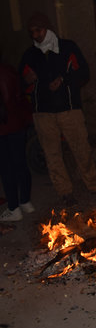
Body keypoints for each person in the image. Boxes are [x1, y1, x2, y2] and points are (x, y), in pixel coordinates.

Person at [19, 12, 96, 206]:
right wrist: (27, 81)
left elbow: (84, 73)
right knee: (52, 154)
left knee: (81, 150)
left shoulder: (67, 47)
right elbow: (21, 84)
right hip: (43, 113)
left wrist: (64, 81)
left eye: (39, 30)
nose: (36, 35)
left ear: (47, 28)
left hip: (69, 109)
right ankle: (65, 192)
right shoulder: (29, 55)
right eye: (32, 32)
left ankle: (94, 187)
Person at [0, 62, 33, 221]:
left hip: (3, 127)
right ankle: (25, 201)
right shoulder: (10, 69)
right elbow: (20, 94)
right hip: (18, 123)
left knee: (7, 169)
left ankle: (14, 208)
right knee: (20, 163)